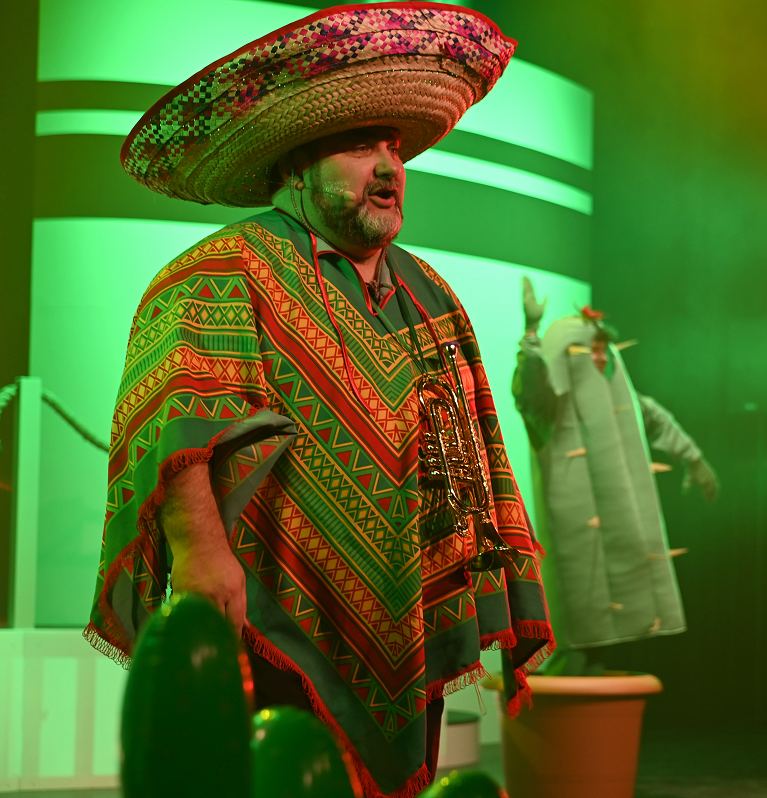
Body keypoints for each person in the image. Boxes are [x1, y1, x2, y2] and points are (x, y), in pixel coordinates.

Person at [84, 6, 553, 797]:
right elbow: (174, 421)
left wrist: (492, 575)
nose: (389, 167)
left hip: (415, 613)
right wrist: (199, 554)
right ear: (297, 165)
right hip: (268, 615)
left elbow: (474, 453)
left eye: (394, 148)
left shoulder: (430, 292)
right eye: (360, 147)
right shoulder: (223, 271)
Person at [513, 278, 718, 673]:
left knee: (619, 600)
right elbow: (530, 392)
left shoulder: (620, 400)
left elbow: (654, 417)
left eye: (602, 349)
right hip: (573, 517)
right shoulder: (551, 405)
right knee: (579, 595)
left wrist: (693, 458)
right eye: (588, 350)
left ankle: (593, 660)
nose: (599, 358)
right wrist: (531, 333)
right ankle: (571, 661)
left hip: (618, 513)